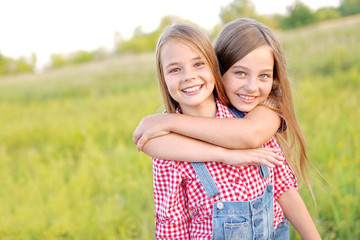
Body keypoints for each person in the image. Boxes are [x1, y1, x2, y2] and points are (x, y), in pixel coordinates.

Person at [135, 20, 321, 239]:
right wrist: (226, 155)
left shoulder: (250, 115)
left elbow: (282, 186)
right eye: (175, 69)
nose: (188, 76)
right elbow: (173, 224)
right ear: (163, 78)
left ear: (214, 67)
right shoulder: (169, 146)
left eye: (198, 64)